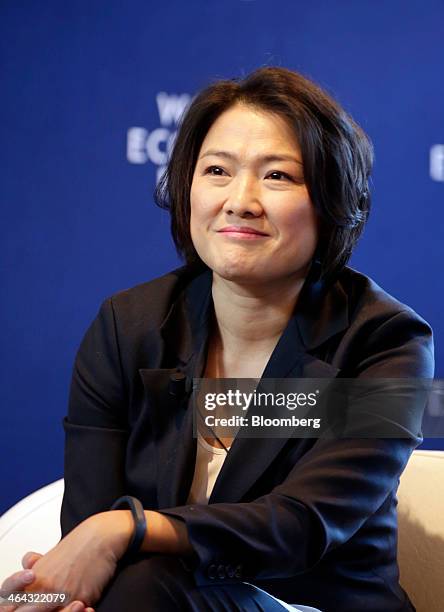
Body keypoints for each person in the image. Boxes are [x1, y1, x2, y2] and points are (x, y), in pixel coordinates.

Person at [0, 67, 433, 612]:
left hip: (313, 605)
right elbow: (87, 533)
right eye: (217, 171)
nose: (241, 200)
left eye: (277, 176)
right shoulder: (128, 326)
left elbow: (301, 526)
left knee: (143, 583)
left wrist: (128, 528)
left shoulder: (386, 342)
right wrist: (57, 593)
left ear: (330, 201)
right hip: (153, 599)